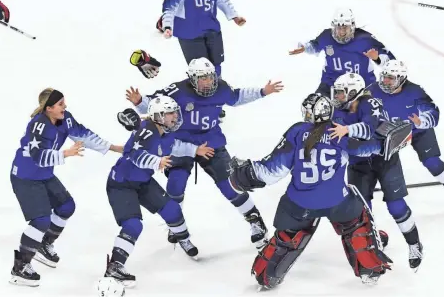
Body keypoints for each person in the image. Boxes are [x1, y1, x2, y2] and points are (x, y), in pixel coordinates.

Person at [226, 93, 413, 289]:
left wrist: (244, 174)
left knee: (287, 237)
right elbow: (366, 149)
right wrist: (388, 142)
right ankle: (369, 269)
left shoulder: (297, 132)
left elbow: (272, 171)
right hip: (337, 203)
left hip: (299, 204)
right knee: (357, 219)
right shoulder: (338, 131)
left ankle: (267, 275)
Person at [125, 57, 283, 249]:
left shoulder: (221, 88)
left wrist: (262, 91)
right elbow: (154, 105)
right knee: (175, 184)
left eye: (210, 77)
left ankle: (255, 220)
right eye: (203, 78)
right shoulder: (178, 90)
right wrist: (140, 102)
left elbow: (236, 97)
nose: (208, 82)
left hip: (211, 142)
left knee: (230, 184)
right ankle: (176, 226)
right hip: (180, 143)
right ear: (192, 79)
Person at [9, 88, 124, 287]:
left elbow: (84, 135)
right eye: (61, 104)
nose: (65, 107)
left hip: (44, 174)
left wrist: (113, 147)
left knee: (66, 206)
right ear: (49, 108)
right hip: (25, 176)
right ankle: (20, 268)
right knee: (41, 220)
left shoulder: (65, 119)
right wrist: (66, 154)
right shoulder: (37, 126)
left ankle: (44, 245)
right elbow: (38, 157)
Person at [100, 96, 214, 288]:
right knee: (134, 225)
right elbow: (136, 155)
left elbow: (174, 146)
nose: (175, 116)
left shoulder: (166, 131)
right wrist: (156, 162)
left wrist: (195, 150)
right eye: (170, 113)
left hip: (142, 181)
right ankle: (115, 266)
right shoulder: (145, 130)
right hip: (121, 184)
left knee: (173, 210)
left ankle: (183, 239)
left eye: (175, 112)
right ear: (159, 116)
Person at [330, 72, 423, 268]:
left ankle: (414, 243)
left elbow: (369, 130)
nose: (337, 97)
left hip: (385, 160)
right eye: (336, 93)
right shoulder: (337, 111)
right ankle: (372, 243)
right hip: (358, 164)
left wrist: (348, 131)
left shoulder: (370, 103)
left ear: (353, 92)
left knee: (395, 204)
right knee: (361, 209)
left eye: (340, 93)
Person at [369, 60, 444, 212]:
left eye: (391, 78)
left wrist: (421, 121)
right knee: (372, 161)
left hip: (417, 130)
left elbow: (434, 113)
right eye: (384, 77)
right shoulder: (372, 90)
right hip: (389, 132)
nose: (385, 81)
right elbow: (358, 110)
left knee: (432, 162)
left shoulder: (415, 92)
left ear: (401, 79)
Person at [289, 8, 395, 97]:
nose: (341, 32)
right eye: (338, 28)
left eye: (345, 28)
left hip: (362, 86)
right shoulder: (327, 36)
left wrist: (377, 59)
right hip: (331, 83)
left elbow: (391, 62)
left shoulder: (365, 39)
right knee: (316, 107)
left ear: (352, 27)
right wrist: (305, 48)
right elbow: (315, 45)